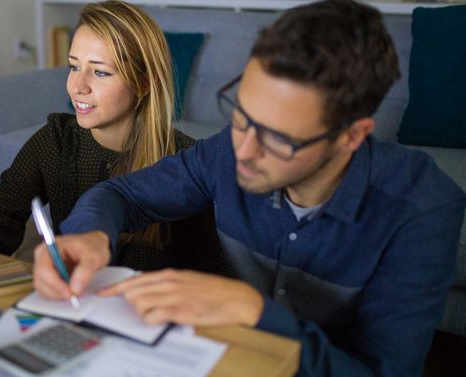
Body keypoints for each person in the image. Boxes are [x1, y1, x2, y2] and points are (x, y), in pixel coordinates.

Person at [33, 1, 466, 376]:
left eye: (277, 136)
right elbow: (122, 195)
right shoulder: (227, 150)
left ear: (351, 137)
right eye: (241, 114)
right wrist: (89, 234)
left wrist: (254, 312)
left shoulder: (424, 209)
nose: (243, 149)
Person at [0, 1, 220, 272]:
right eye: (73, 66)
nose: (78, 86)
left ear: (145, 83)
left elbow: (206, 273)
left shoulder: (184, 162)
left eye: (101, 71)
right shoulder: (54, 142)